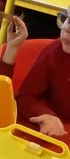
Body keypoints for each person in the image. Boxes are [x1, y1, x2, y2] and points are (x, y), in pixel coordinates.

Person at [15, 9, 70, 137]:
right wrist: (45, 115)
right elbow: (26, 95)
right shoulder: (54, 52)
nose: (67, 28)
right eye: (67, 18)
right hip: (57, 129)